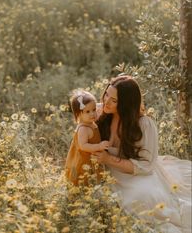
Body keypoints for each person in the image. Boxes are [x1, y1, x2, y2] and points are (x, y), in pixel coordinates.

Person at [94, 75, 191, 233]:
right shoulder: (99, 113)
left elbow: (147, 166)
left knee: (143, 197)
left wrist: (108, 159)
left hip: (138, 173)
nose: (106, 101)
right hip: (109, 173)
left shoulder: (144, 124)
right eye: (106, 94)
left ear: (126, 104)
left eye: (114, 100)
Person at [65, 89, 110, 186]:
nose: (92, 114)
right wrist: (99, 146)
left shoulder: (90, 122)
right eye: (87, 111)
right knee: (84, 180)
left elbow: (98, 107)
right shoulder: (83, 129)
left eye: (94, 110)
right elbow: (83, 146)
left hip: (92, 159)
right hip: (83, 161)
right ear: (78, 114)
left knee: (94, 179)